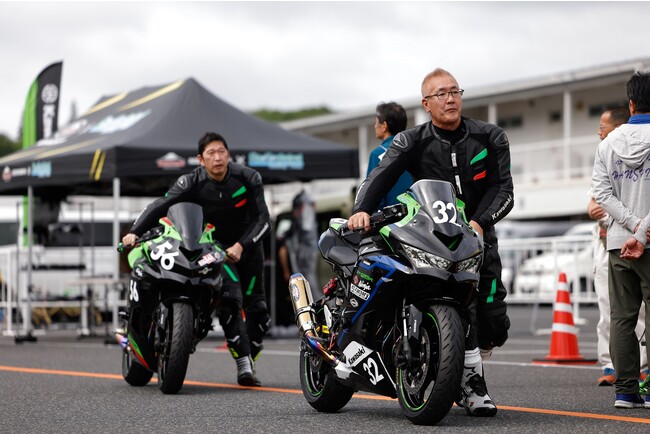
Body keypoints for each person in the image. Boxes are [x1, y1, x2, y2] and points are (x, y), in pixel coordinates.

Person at [348, 68, 514, 416]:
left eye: (455, 91)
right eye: (441, 94)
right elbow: (380, 177)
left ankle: (464, 356)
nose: (450, 99)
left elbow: (504, 189)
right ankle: (471, 384)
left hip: (479, 236)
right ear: (426, 104)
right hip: (433, 236)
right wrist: (361, 210)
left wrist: (478, 223)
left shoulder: (490, 136)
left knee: (494, 323)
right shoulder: (411, 140)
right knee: (460, 307)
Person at [122, 132, 271, 387]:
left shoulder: (249, 177)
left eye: (221, 152)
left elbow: (263, 220)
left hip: (248, 248)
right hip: (216, 250)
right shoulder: (191, 181)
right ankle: (244, 365)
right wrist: (135, 232)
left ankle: (250, 356)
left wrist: (241, 246)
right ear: (201, 159)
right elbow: (161, 205)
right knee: (230, 299)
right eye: (211, 153)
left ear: (229, 155)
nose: (217, 158)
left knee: (258, 312)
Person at [592, 71, 650, 409]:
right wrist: (642, 230)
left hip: (617, 242)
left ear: (631, 104)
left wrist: (630, 226)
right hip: (647, 240)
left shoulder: (607, 144)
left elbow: (601, 194)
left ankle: (626, 391)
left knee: (622, 317)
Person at [366, 102, 413, 209]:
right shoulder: (414, 149)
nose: (374, 126)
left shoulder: (378, 154)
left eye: (376, 122)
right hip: (417, 213)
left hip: (392, 215)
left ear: (384, 126)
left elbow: (373, 193)